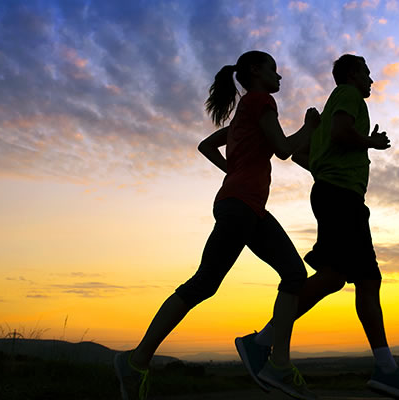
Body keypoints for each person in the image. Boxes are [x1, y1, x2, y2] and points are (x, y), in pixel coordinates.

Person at [114, 50, 320, 400]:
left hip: (246, 207)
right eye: (274, 69)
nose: (280, 76)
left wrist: (234, 172)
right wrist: (311, 127)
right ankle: (135, 362)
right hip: (240, 207)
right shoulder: (259, 100)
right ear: (256, 71)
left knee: (294, 275)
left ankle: (279, 366)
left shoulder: (244, 113)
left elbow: (207, 145)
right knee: (204, 283)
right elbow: (284, 149)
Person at [236, 54, 399, 399]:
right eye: (367, 73)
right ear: (352, 74)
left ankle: (263, 341)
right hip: (341, 198)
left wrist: (325, 170)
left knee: (336, 278)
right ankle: (386, 370)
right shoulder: (347, 95)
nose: (371, 80)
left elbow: (302, 155)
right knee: (363, 279)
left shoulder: (328, 113)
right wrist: (371, 143)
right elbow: (341, 133)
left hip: (335, 194)